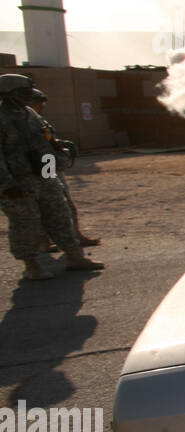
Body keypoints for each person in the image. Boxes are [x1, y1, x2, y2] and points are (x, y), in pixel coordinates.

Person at [0, 74, 104, 281]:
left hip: (45, 174)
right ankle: (31, 265)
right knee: (25, 222)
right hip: (18, 181)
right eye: (23, 93)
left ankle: (74, 257)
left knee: (60, 214)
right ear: (8, 94)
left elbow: (46, 141)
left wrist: (57, 158)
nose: (28, 97)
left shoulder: (30, 114)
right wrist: (8, 185)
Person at [24, 88, 99, 251]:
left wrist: (60, 144)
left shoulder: (37, 120)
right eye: (38, 102)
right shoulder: (19, 121)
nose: (41, 106)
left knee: (63, 200)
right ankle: (44, 241)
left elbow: (48, 140)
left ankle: (75, 235)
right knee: (42, 204)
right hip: (37, 166)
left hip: (49, 163)